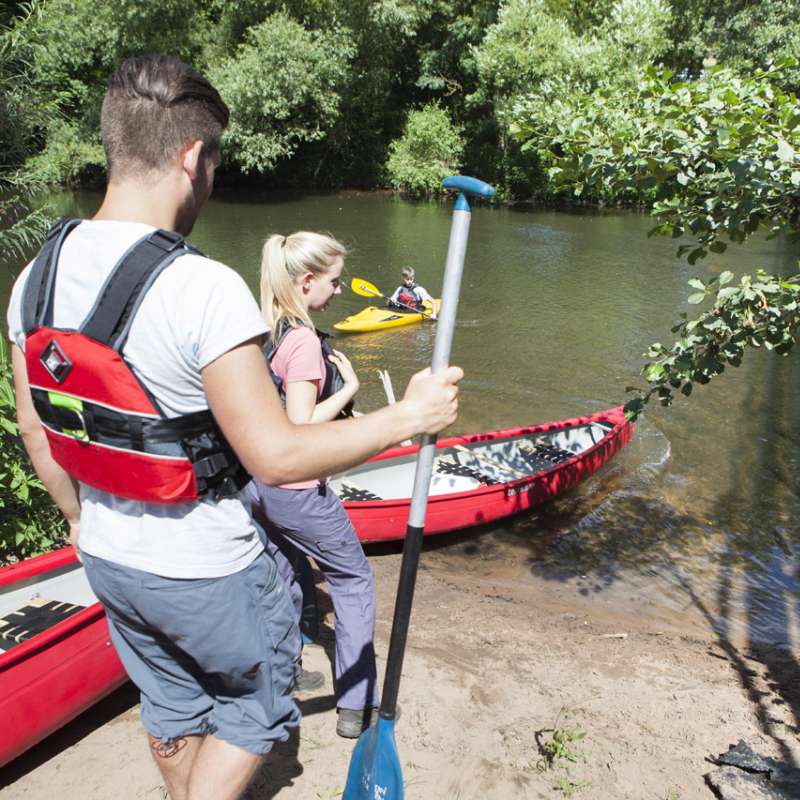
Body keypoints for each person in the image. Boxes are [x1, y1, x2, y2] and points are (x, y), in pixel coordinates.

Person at [6, 55, 462, 800]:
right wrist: (407, 416)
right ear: (193, 157)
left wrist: (81, 521)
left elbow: (36, 428)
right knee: (254, 710)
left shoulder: (37, 274)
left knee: (172, 703)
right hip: (204, 563)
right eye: (214, 162)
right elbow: (278, 456)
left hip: (108, 553)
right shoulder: (201, 285)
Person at [248, 231, 381, 739]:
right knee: (352, 580)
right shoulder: (302, 340)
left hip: (259, 484)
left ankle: (284, 678)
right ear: (306, 282)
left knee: (281, 578)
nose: (339, 291)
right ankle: (357, 704)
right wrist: (348, 389)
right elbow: (299, 429)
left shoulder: (268, 328)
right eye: (334, 281)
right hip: (298, 489)